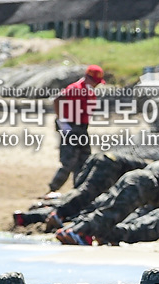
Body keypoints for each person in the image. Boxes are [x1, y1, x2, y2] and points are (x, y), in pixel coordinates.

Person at [49, 65, 104, 194]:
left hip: (82, 129)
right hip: (70, 127)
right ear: (87, 77)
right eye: (94, 81)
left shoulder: (89, 92)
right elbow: (57, 99)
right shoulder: (75, 88)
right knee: (69, 161)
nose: (96, 85)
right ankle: (53, 188)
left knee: (84, 160)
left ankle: (78, 189)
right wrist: (61, 121)